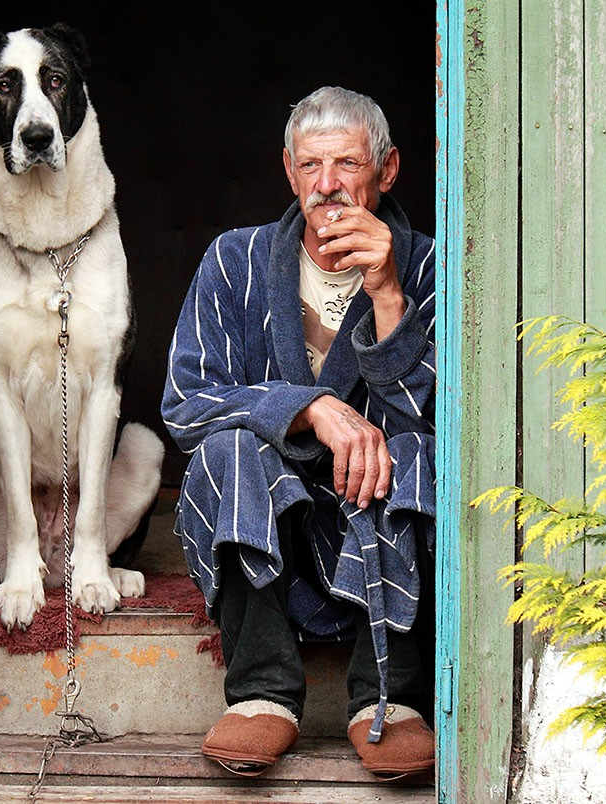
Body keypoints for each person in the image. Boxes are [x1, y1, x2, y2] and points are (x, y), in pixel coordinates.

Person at [161, 86, 436, 780]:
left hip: (371, 526)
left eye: (348, 163)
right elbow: (187, 404)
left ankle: (390, 697)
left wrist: (388, 295)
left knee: (418, 454)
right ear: (289, 172)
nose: (329, 185)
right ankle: (260, 692)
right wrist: (310, 406)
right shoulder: (234, 260)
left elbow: (433, 420)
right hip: (266, 529)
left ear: (388, 170)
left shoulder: (432, 266)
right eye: (312, 166)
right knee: (226, 450)